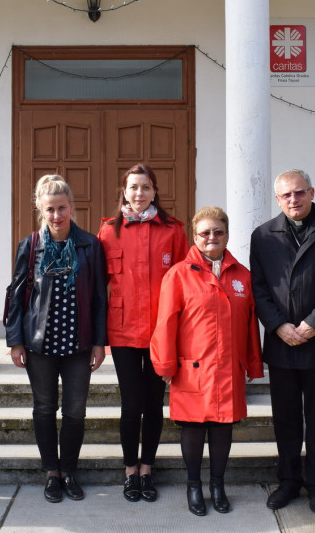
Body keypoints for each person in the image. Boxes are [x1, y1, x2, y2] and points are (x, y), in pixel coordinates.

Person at [250, 170, 315, 515]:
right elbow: (259, 288)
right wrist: (278, 325)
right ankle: (288, 481)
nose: (293, 199)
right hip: (282, 343)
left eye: (299, 192)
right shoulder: (263, 235)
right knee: (286, 419)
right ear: (277, 199)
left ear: (311, 192)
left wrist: (313, 325)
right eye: (286, 195)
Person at [151, 206, 264, 516]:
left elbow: (250, 324)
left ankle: (217, 485)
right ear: (195, 236)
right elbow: (165, 323)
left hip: (229, 367)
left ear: (226, 235)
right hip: (193, 368)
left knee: (223, 427)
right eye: (205, 232)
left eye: (218, 231)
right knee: (193, 427)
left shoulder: (242, 276)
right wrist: (165, 364)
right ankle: (193, 485)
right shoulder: (179, 274)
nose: (211, 237)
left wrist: (253, 363)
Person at [6, 174, 107, 503]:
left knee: (75, 410)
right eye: (50, 209)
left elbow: (99, 297)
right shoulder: (30, 245)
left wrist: (99, 342)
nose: (56, 215)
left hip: (79, 344)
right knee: (45, 407)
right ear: (40, 209)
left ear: (72, 207)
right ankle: (52, 472)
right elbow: (16, 295)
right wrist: (15, 340)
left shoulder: (90, 245)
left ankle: (69, 471)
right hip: (40, 344)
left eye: (62, 208)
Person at [97, 164, 190, 503]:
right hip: (122, 331)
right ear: (124, 191)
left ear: (154, 192)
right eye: (133, 187)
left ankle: (147, 469)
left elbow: (187, 284)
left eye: (145, 187)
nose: (139, 193)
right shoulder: (108, 231)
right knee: (130, 403)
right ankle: (129, 471)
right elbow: (98, 288)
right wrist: (97, 339)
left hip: (160, 332)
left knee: (153, 404)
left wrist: (181, 335)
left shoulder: (173, 231)